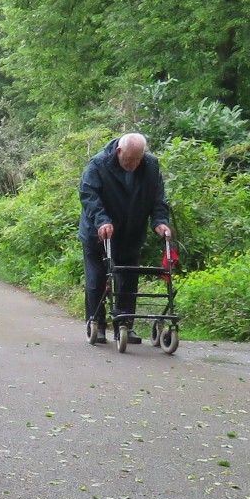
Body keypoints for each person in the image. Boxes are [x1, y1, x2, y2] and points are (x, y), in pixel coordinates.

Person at [77, 132, 172, 346]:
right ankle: (97, 325)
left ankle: (125, 325)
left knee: (128, 279)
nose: (134, 164)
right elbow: (89, 195)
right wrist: (102, 220)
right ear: (119, 152)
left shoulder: (150, 166)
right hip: (98, 234)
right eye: (130, 159)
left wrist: (160, 221)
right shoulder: (98, 164)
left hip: (131, 233)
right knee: (96, 280)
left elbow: (158, 198)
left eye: (138, 159)